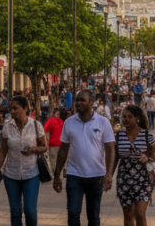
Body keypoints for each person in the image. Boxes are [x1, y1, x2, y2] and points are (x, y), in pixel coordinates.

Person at [53, 90, 116, 226]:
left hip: (96, 175)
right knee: (73, 213)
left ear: (91, 103)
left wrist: (109, 174)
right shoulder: (69, 123)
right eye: (77, 100)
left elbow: (110, 149)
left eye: (82, 100)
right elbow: (63, 150)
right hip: (74, 175)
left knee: (93, 215)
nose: (78, 103)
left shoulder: (103, 122)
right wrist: (57, 175)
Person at [0, 96, 47, 226]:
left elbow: (44, 147)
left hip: (32, 174)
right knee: (15, 212)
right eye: (11, 108)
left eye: (15, 108)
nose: (12, 111)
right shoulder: (7, 127)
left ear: (25, 109)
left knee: (30, 211)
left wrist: (33, 149)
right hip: (11, 175)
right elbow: (3, 152)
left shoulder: (36, 125)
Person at [113, 105, 155, 226]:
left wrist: (147, 158)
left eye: (129, 117)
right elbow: (115, 158)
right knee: (128, 215)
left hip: (143, 178)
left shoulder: (147, 136)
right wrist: (108, 176)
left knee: (140, 214)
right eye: (124, 117)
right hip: (124, 179)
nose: (126, 119)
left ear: (137, 118)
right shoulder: (117, 136)